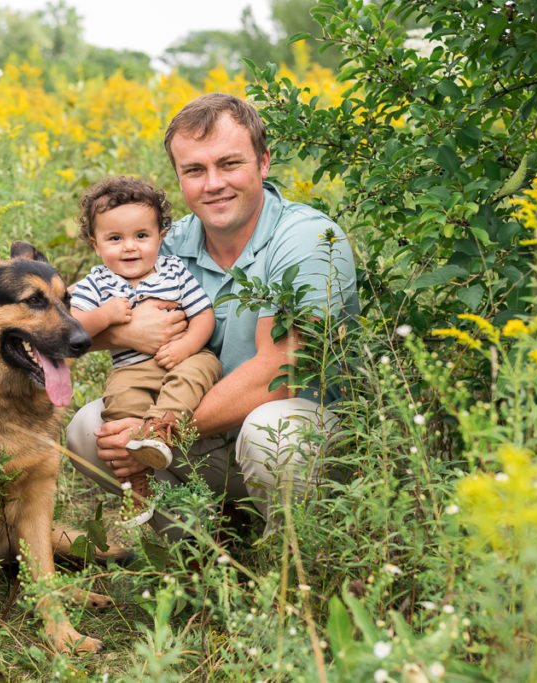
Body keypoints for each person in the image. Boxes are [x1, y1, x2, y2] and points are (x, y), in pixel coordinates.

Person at [66, 93, 359, 539]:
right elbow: (62, 325)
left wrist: (157, 429)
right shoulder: (164, 243)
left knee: (268, 433)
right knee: (89, 429)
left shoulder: (308, 239)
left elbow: (281, 369)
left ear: (263, 162)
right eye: (194, 170)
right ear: (179, 178)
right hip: (202, 435)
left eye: (229, 164)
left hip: (301, 433)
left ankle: (299, 562)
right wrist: (127, 329)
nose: (213, 183)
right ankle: (198, 549)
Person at [69, 176, 222, 526]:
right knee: (119, 403)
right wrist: (105, 316)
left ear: (160, 236)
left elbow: (203, 315)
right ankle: (136, 485)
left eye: (141, 236)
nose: (129, 248)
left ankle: (158, 430)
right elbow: (75, 329)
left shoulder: (174, 270)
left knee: (199, 370)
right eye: (114, 238)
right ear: (95, 244)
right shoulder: (97, 283)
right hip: (133, 370)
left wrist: (186, 346)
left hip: (185, 358)